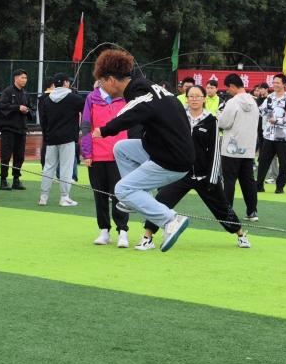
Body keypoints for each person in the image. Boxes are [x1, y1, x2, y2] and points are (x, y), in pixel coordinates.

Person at [91, 49, 192, 253]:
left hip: (172, 159)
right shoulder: (146, 86)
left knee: (122, 190)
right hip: (166, 149)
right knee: (122, 149)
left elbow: (132, 112)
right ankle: (135, 198)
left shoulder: (141, 93)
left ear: (111, 80)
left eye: (101, 83)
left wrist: (105, 129)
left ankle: (171, 220)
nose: (102, 88)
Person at [136, 84, 251, 251]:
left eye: (198, 96)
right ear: (186, 98)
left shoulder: (211, 121)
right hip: (179, 173)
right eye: (191, 96)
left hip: (204, 176)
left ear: (204, 99)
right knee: (161, 201)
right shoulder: (177, 117)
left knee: (222, 207)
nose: (194, 99)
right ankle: (147, 237)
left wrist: (213, 178)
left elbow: (215, 151)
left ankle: (240, 234)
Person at [80, 80, 130, 247]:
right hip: (97, 155)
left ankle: (122, 231)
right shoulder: (91, 98)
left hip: (120, 155)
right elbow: (86, 126)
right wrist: (87, 152)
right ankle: (104, 230)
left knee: (120, 195)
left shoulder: (124, 97)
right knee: (99, 195)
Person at [38, 73, 86, 207]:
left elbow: (44, 120)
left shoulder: (47, 100)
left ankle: (43, 197)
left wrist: (47, 136)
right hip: (67, 138)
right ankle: (64, 197)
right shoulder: (74, 98)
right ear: (65, 83)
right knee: (66, 168)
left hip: (51, 138)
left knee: (48, 168)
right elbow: (86, 108)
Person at [218, 73, 261, 217]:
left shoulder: (232, 102)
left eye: (227, 88)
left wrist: (218, 116)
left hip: (231, 149)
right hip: (248, 148)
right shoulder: (253, 102)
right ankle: (252, 211)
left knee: (229, 181)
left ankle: (227, 213)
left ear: (232, 86)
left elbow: (224, 123)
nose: (227, 91)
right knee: (248, 181)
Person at [256, 74, 286, 199]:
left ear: (284, 84)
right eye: (274, 82)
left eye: (278, 82)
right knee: (263, 161)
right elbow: (261, 111)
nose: (275, 85)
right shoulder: (269, 97)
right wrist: (256, 107)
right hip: (269, 135)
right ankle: (259, 185)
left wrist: (277, 120)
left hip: (283, 137)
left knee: (283, 163)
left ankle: (280, 187)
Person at [0, 69, 30, 190]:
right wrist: (18, 108)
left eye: (25, 78)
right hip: (8, 129)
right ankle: (3, 180)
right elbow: (2, 107)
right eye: (22, 77)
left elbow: (30, 108)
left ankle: (16, 179)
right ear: (15, 78)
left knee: (19, 156)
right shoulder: (7, 92)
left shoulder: (25, 94)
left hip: (21, 129)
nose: (24, 80)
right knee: (6, 155)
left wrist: (27, 110)